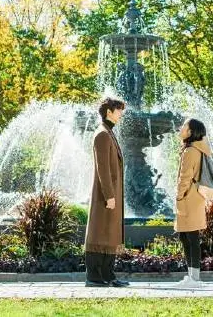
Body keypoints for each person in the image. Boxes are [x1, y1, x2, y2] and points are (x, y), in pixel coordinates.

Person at [84, 97, 130, 288]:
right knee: (99, 233)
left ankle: (108, 275)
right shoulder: (102, 134)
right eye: (119, 110)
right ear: (109, 112)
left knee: (109, 233)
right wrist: (109, 195)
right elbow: (103, 168)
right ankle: (94, 277)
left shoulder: (108, 132)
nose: (121, 113)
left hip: (111, 194)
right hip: (105, 196)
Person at [174, 118, 211, 288]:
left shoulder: (190, 151)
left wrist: (179, 196)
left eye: (184, 127)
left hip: (188, 196)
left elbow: (184, 177)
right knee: (187, 235)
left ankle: (194, 278)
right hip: (195, 195)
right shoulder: (199, 149)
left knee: (190, 236)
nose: (181, 129)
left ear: (190, 132)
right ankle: (192, 276)